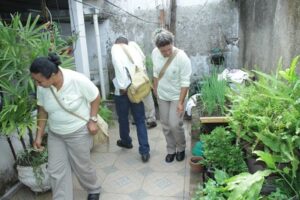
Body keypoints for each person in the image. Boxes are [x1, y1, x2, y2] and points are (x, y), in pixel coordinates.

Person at [30, 53, 101, 200]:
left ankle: (93, 188)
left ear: (53, 75)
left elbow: (95, 96)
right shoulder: (43, 88)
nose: (37, 85)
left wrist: (93, 119)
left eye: (40, 81)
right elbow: (42, 109)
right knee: (56, 170)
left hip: (78, 132)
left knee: (82, 166)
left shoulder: (76, 79)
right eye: (35, 81)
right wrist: (39, 135)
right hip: (56, 134)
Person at [152, 28, 192, 163]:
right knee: (165, 124)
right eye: (163, 51)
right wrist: (155, 88)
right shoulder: (154, 53)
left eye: (169, 49)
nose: (167, 53)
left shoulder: (181, 57)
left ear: (172, 44)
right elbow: (156, 72)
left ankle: (181, 148)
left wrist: (181, 103)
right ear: (158, 48)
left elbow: (185, 82)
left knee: (175, 124)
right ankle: (171, 149)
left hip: (177, 96)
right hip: (162, 95)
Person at [111, 36, 150, 162]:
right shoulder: (134, 48)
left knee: (123, 119)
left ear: (117, 43)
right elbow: (143, 63)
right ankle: (144, 151)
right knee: (140, 120)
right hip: (136, 89)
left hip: (122, 92)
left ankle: (126, 141)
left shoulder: (115, 48)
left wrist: (123, 86)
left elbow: (117, 66)